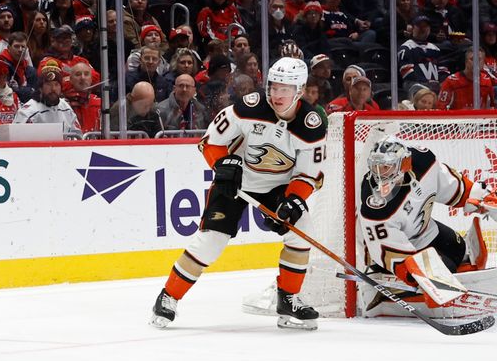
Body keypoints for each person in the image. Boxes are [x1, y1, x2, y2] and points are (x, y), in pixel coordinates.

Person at [150, 57, 326, 331]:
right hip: (237, 181)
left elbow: (307, 175)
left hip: (278, 187)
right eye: (273, 87)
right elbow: (210, 143)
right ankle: (168, 296)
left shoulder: (312, 124)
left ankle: (288, 298)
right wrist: (223, 165)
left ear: (300, 91)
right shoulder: (249, 107)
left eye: (285, 89)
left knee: (302, 228)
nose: (277, 95)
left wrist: (294, 199)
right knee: (211, 240)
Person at [359, 136, 492, 310]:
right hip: (400, 249)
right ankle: (392, 290)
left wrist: (482, 199)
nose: (379, 173)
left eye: (385, 167)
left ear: (404, 164)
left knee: (458, 250)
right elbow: (386, 250)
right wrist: (414, 275)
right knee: (445, 270)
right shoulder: (376, 204)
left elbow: (452, 187)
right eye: (375, 167)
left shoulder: (424, 161)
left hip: (425, 230)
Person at [13, 59, 82, 135]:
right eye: (48, 84)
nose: (53, 89)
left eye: (56, 84)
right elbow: (17, 138)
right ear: (40, 88)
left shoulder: (66, 108)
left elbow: (77, 136)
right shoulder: (28, 111)